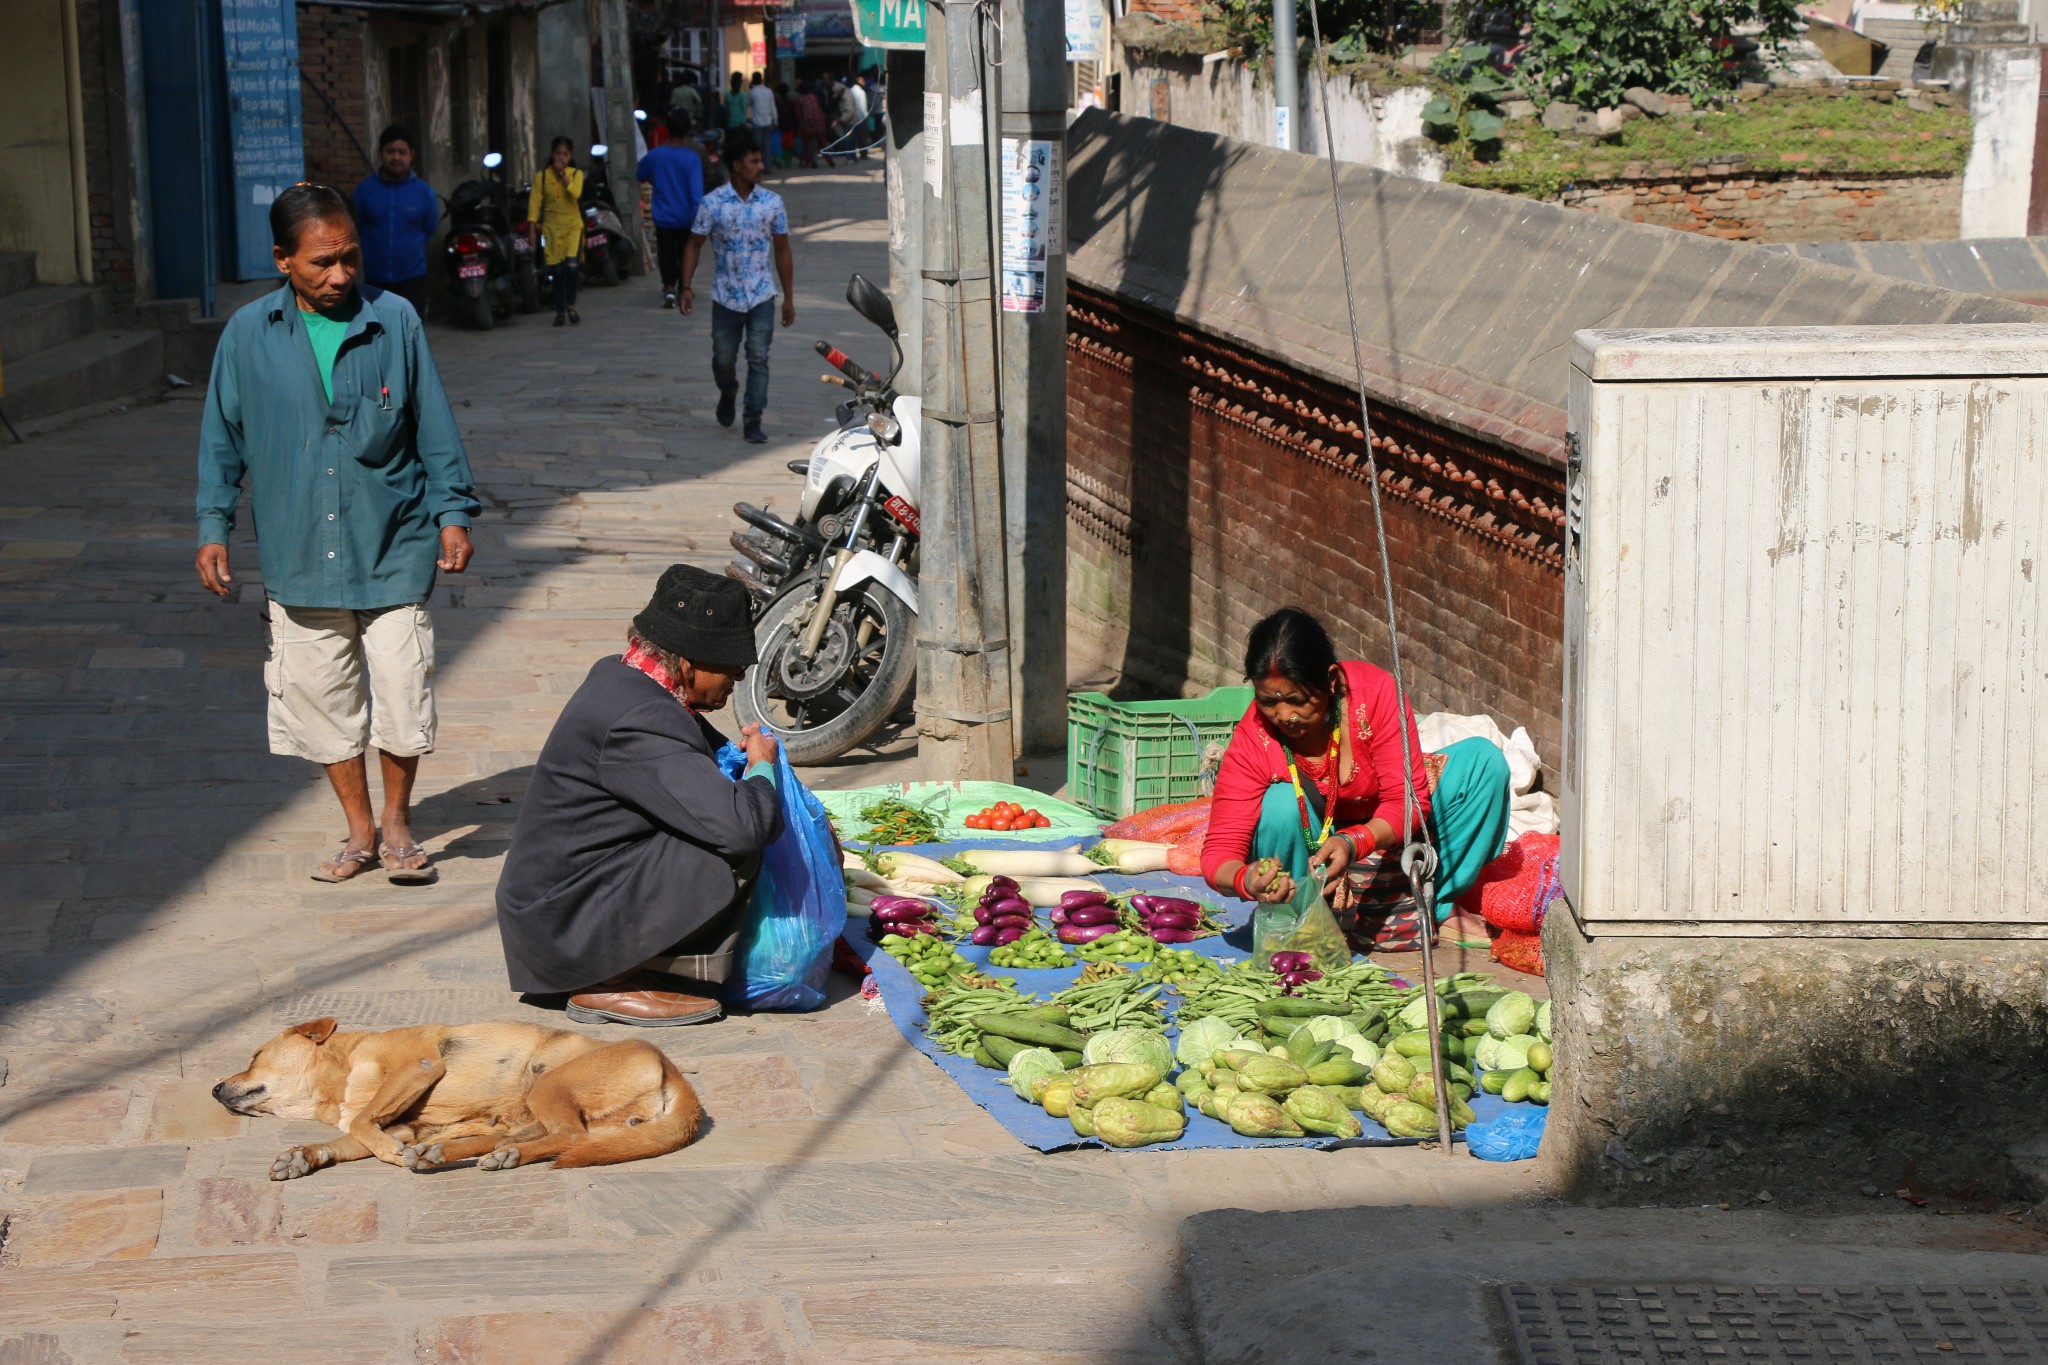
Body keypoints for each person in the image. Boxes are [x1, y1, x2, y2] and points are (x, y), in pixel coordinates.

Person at [195, 183, 479, 886]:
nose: (341, 275)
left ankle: (400, 822)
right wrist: (214, 524)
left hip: (393, 541)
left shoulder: (396, 320)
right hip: (299, 553)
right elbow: (220, 439)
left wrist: (452, 513)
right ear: (282, 260)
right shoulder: (246, 336)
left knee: (402, 688)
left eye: (350, 257)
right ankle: (359, 829)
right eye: (322, 262)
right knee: (324, 701)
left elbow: (434, 427)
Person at [495, 565, 782, 1026]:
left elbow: (690, 749)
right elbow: (741, 828)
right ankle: (606, 980)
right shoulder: (641, 715)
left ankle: (640, 962)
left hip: (557, 906)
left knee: (729, 810)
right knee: (738, 834)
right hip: (563, 927)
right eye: (731, 667)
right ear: (688, 662)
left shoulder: (624, 675)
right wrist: (763, 768)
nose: (737, 678)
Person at [1201, 608, 1511, 952]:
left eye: (1298, 700)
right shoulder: (1254, 738)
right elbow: (1218, 854)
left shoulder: (1375, 694)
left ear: (1331, 680)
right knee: (1279, 805)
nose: (1284, 715)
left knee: (1484, 764)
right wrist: (1247, 880)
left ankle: (1433, 901)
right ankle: (1302, 914)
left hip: (1382, 829)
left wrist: (1355, 842)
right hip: (1313, 846)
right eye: (1268, 701)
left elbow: (1407, 803)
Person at [680, 133, 792, 445]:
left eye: (760, 160)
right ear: (737, 165)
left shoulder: (771, 203)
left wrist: (788, 297)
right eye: (754, 161)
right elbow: (694, 243)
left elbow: (782, 249)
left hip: (761, 295)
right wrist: (686, 286)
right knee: (723, 359)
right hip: (725, 297)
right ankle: (728, 391)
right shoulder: (713, 203)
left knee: (759, 358)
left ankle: (753, 417)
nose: (760, 166)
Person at [351, 126, 439, 320]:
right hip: (375, 280)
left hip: (413, 278)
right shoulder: (366, 191)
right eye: (390, 152)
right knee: (378, 334)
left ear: (411, 155)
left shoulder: (423, 192)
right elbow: (357, 226)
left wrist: (410, 249)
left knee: (412, 333)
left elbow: (430, 227)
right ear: (381, 153)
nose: (396, 157)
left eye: (402, 152)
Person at [637, 110, 706, 309]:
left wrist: (655, 179)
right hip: (687, 216)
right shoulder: (691, 158)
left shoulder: (656, 155)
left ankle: (668, 286)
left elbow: (641, 174)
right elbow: (696, 192)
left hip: (663, 215)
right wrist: (700, 216)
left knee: (666, 252)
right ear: (687, 131)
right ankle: (685, 285)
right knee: (686, 251)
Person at [528, 136, 584, 326]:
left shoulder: (576, 174)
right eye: (558, 153)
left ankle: (571, 305)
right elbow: (535, 202)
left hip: (572, 227)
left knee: (572, 266)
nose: (561, 158)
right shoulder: (542, 177)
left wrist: (563, 176)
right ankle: (560, 310)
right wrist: (532, 229)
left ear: (570, 157)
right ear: (552, 155)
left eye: (565, 154)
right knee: (557, 271)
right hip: (551, 228)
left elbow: (576, 193)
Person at [747, 71, 780, 170]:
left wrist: (750, 87)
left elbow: (747, 103)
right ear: (761, 80)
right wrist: (775, 120)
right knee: (767, 146)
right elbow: (772, 107)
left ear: (753, 80)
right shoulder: (768, 91)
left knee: (757, 147)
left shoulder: (752, 92)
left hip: (757, 122)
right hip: (768, 121)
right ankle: (768, 167)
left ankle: (757, 166)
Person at [836, 72, 870, 160]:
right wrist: (865, 118)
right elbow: (863, 107)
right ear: (858, 80)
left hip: (853, 118)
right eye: (862, 80)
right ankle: (863, 154)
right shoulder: (861, 92)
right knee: (862, 138)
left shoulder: (851, 91)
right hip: (861, 118)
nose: (864, 82)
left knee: (852, 138)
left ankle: (852, 156)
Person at [795, 80, 828, 169]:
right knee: (822, 142)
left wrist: (799, 126)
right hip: (818, 122)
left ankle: (807, 161)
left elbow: (798, 114)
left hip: (807, 124)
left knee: (806, 144)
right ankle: (829, 159)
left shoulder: (800, 99)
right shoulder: (813, 97)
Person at [773, 82, 799, 169]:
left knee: (778, 144)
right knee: (788, 146)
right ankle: (788, 162)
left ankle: (778, 159)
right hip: (790, 127)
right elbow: (795, 115)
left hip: (779, 127)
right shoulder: (791, 102)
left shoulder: (776, 102)